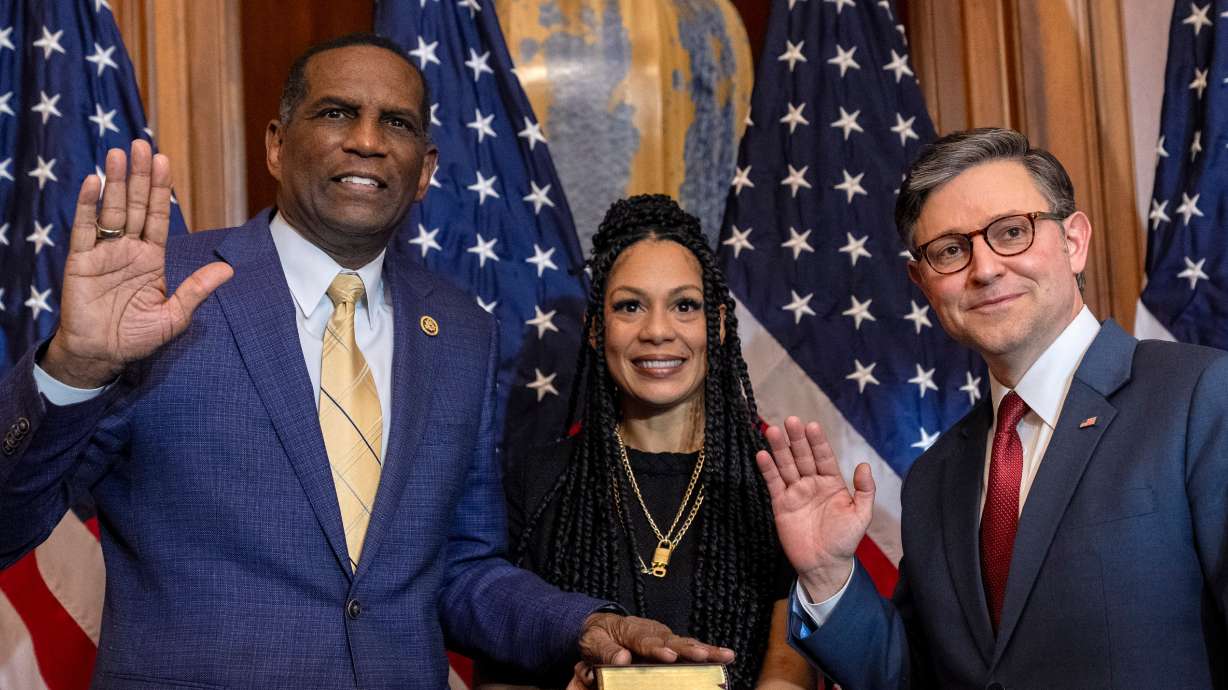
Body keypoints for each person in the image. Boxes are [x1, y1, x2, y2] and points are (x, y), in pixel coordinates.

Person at [0, 33, 733, 688]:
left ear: (423, 170)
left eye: (398, 124)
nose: (367, 141)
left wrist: (581, 624)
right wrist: (73, 368)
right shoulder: (163, 291)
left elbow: (460, 570)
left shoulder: (460, 329)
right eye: (335, 113)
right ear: (276, 145)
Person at [755, 128, 1228, 689]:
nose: (984, 269)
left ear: (1073, 241)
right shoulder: (934, 479)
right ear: (923, 281)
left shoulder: (1200, 396)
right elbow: (909, 679)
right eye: (951, 250)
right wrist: (829, 574)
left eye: (1011, 232)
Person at [478, 195, 814, 689]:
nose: (657, 331)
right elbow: (498, 667)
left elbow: (790, 671)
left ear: (717, 325)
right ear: (597, 329)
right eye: (630, 306)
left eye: (684, 305)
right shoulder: (538, 483)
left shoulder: (773, 482)